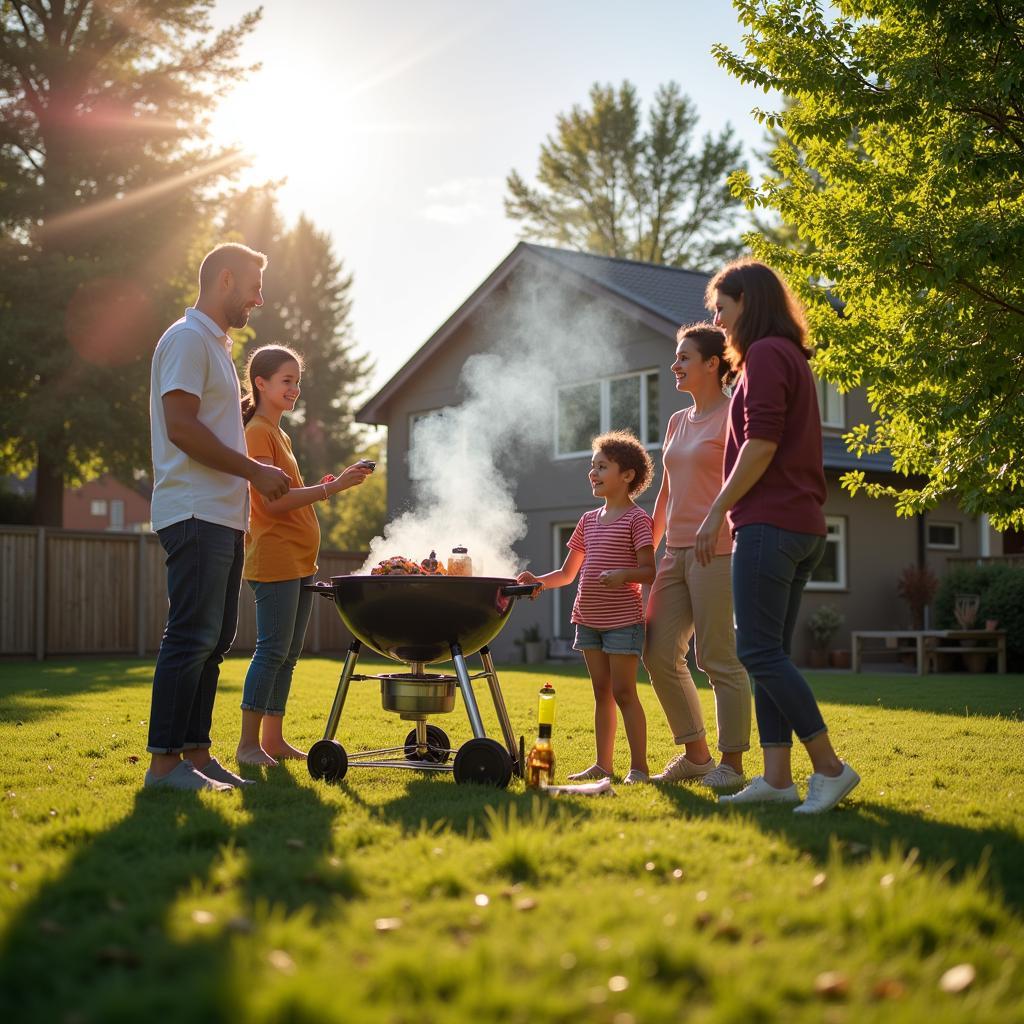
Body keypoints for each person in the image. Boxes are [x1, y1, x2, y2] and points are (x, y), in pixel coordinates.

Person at [695, 259, 860, 814]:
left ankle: (830, 769)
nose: (718, 321)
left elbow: (761, 444)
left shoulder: (766, 354)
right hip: (801, 525)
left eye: (723, 307)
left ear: (750, 302)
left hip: (769, 524)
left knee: (757, 651)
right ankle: (775, 777)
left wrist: (716, 511)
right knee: (769, 652)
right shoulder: (788, 355)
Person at [144, 243, 291, 791]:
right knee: (191, 636)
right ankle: (163, 766)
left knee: (215, 638)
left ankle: (197, 756)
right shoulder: (185, 340)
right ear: (225, 280)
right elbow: (181, 428)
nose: (260, 297)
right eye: (253, 285)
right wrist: (254, 471)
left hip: (222, 517)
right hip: (193, 509)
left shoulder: (214, 346)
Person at [236, 345, 373, 766]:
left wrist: (323, 485)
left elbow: (289, 494)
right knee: (271, 650)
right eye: (286, 381)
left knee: (289, 654)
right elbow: (272, 503)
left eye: (297, 381)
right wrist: (334, 488)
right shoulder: (257, 431)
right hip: (275, 558)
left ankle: (273, 741)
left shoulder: (280, 434)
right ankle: (247, 746)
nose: (295, 389)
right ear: (260, 383)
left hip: (298, 561)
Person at [644, 324, 752, 791]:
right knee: (658, 653)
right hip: (674, 552)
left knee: (717, 658)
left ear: (713, 363)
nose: (676, 365)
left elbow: (747, 479)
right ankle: (697, 755)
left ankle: (732, 765)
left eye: (685, 357)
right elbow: (666, 492)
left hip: (718, 550)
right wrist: (646, 549)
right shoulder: (676, 421)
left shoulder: (734, 417)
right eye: (676, 356)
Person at [517, 431, 655, 784]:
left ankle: (639, 768)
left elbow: (649, 570)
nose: (593, 473)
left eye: (602, 467)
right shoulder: (587, 521)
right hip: (588, 619)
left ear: (627, 476)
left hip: (623, 621)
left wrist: (623, 574)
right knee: (601, 693)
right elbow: (566, 574)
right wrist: (537, 582)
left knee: (625, 693)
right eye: (592, 467)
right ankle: (602, 765)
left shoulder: (637, 520)